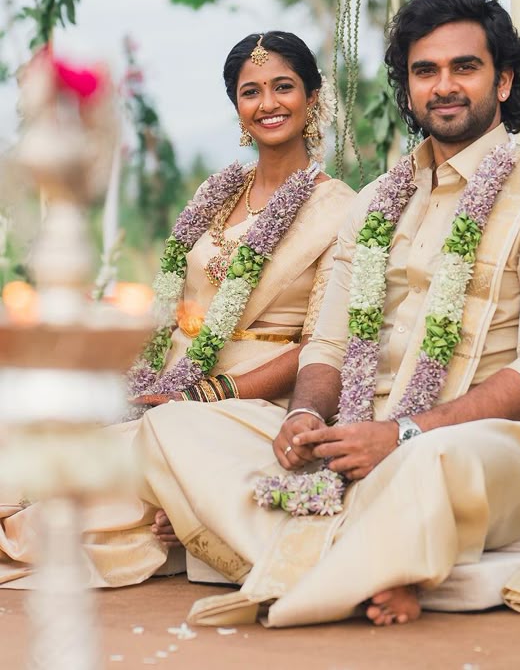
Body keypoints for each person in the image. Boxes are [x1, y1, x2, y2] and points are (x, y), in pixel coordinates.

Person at [112, 0, 520, 625]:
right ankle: (367, 561)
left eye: (464, 67)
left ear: (503, 82)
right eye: (426, 71)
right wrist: (304, 416)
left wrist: (403, 433)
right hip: (359, 429)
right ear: (409, 88)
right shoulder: (376, 203)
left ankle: (324, 556)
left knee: (432, 464)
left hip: (490, 441)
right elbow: (332, 345)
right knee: (175, 426)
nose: (443, 85)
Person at [0, 31, 355, 587]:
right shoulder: (215, 193)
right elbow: (177, 309)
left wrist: (206, 394)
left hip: (253, 398)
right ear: (236, 107)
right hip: (175, 379)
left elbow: (322, 345)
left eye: (283, 87)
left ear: (314, 99)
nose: (268, 104)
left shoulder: (342, 210)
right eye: (251, 92)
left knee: (109, 464)